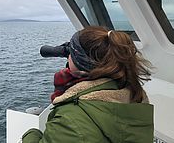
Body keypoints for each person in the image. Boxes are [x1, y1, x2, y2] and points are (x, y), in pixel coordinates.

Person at [22, 26, 154, 143]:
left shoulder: (70, 120)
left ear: (80, 63)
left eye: (71, 54)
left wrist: (31, 134)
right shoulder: (133, 92)